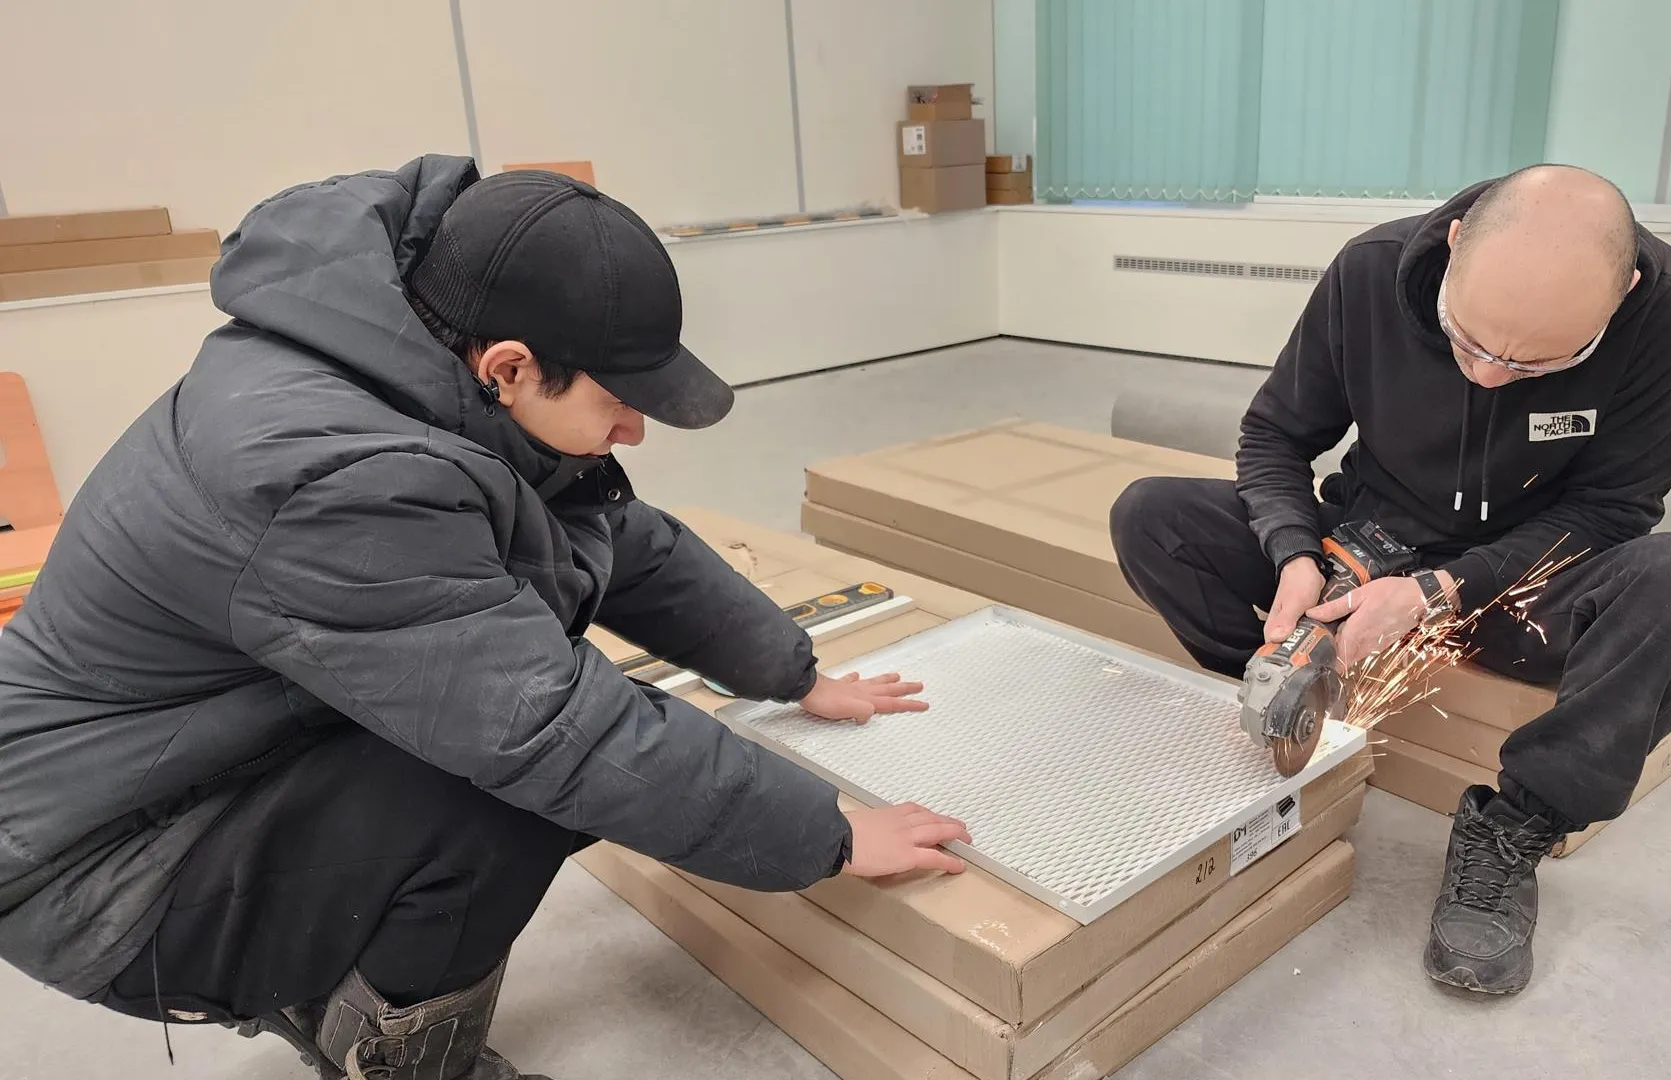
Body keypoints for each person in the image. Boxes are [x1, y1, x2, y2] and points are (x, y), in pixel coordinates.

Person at [0, 156, 972, 1080]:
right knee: (513, 792)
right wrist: (830, 833)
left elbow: (615, 536)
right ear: (508, 366)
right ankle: (397, 1058)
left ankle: (327, 970)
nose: (635, 431)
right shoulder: (337, 478)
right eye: (619, 401)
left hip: (195, 763)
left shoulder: (416, 363)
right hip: (105, 865)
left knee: (520, 737)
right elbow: (550, 729)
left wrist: (797, 674)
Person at [1110, 164, 1671, 996]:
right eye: (1468, 340)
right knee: (1151, 516)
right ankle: (1296, 697)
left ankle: (1514, 829)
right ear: (1453, 245)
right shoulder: (1371, 270)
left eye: (1534, 364)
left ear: (1621, 296)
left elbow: (1612, 509)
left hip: (1527, 582)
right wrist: (1294, 553)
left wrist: (1439, 591)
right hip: (1368, 539)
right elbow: (1275, 437)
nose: (1488, 374)